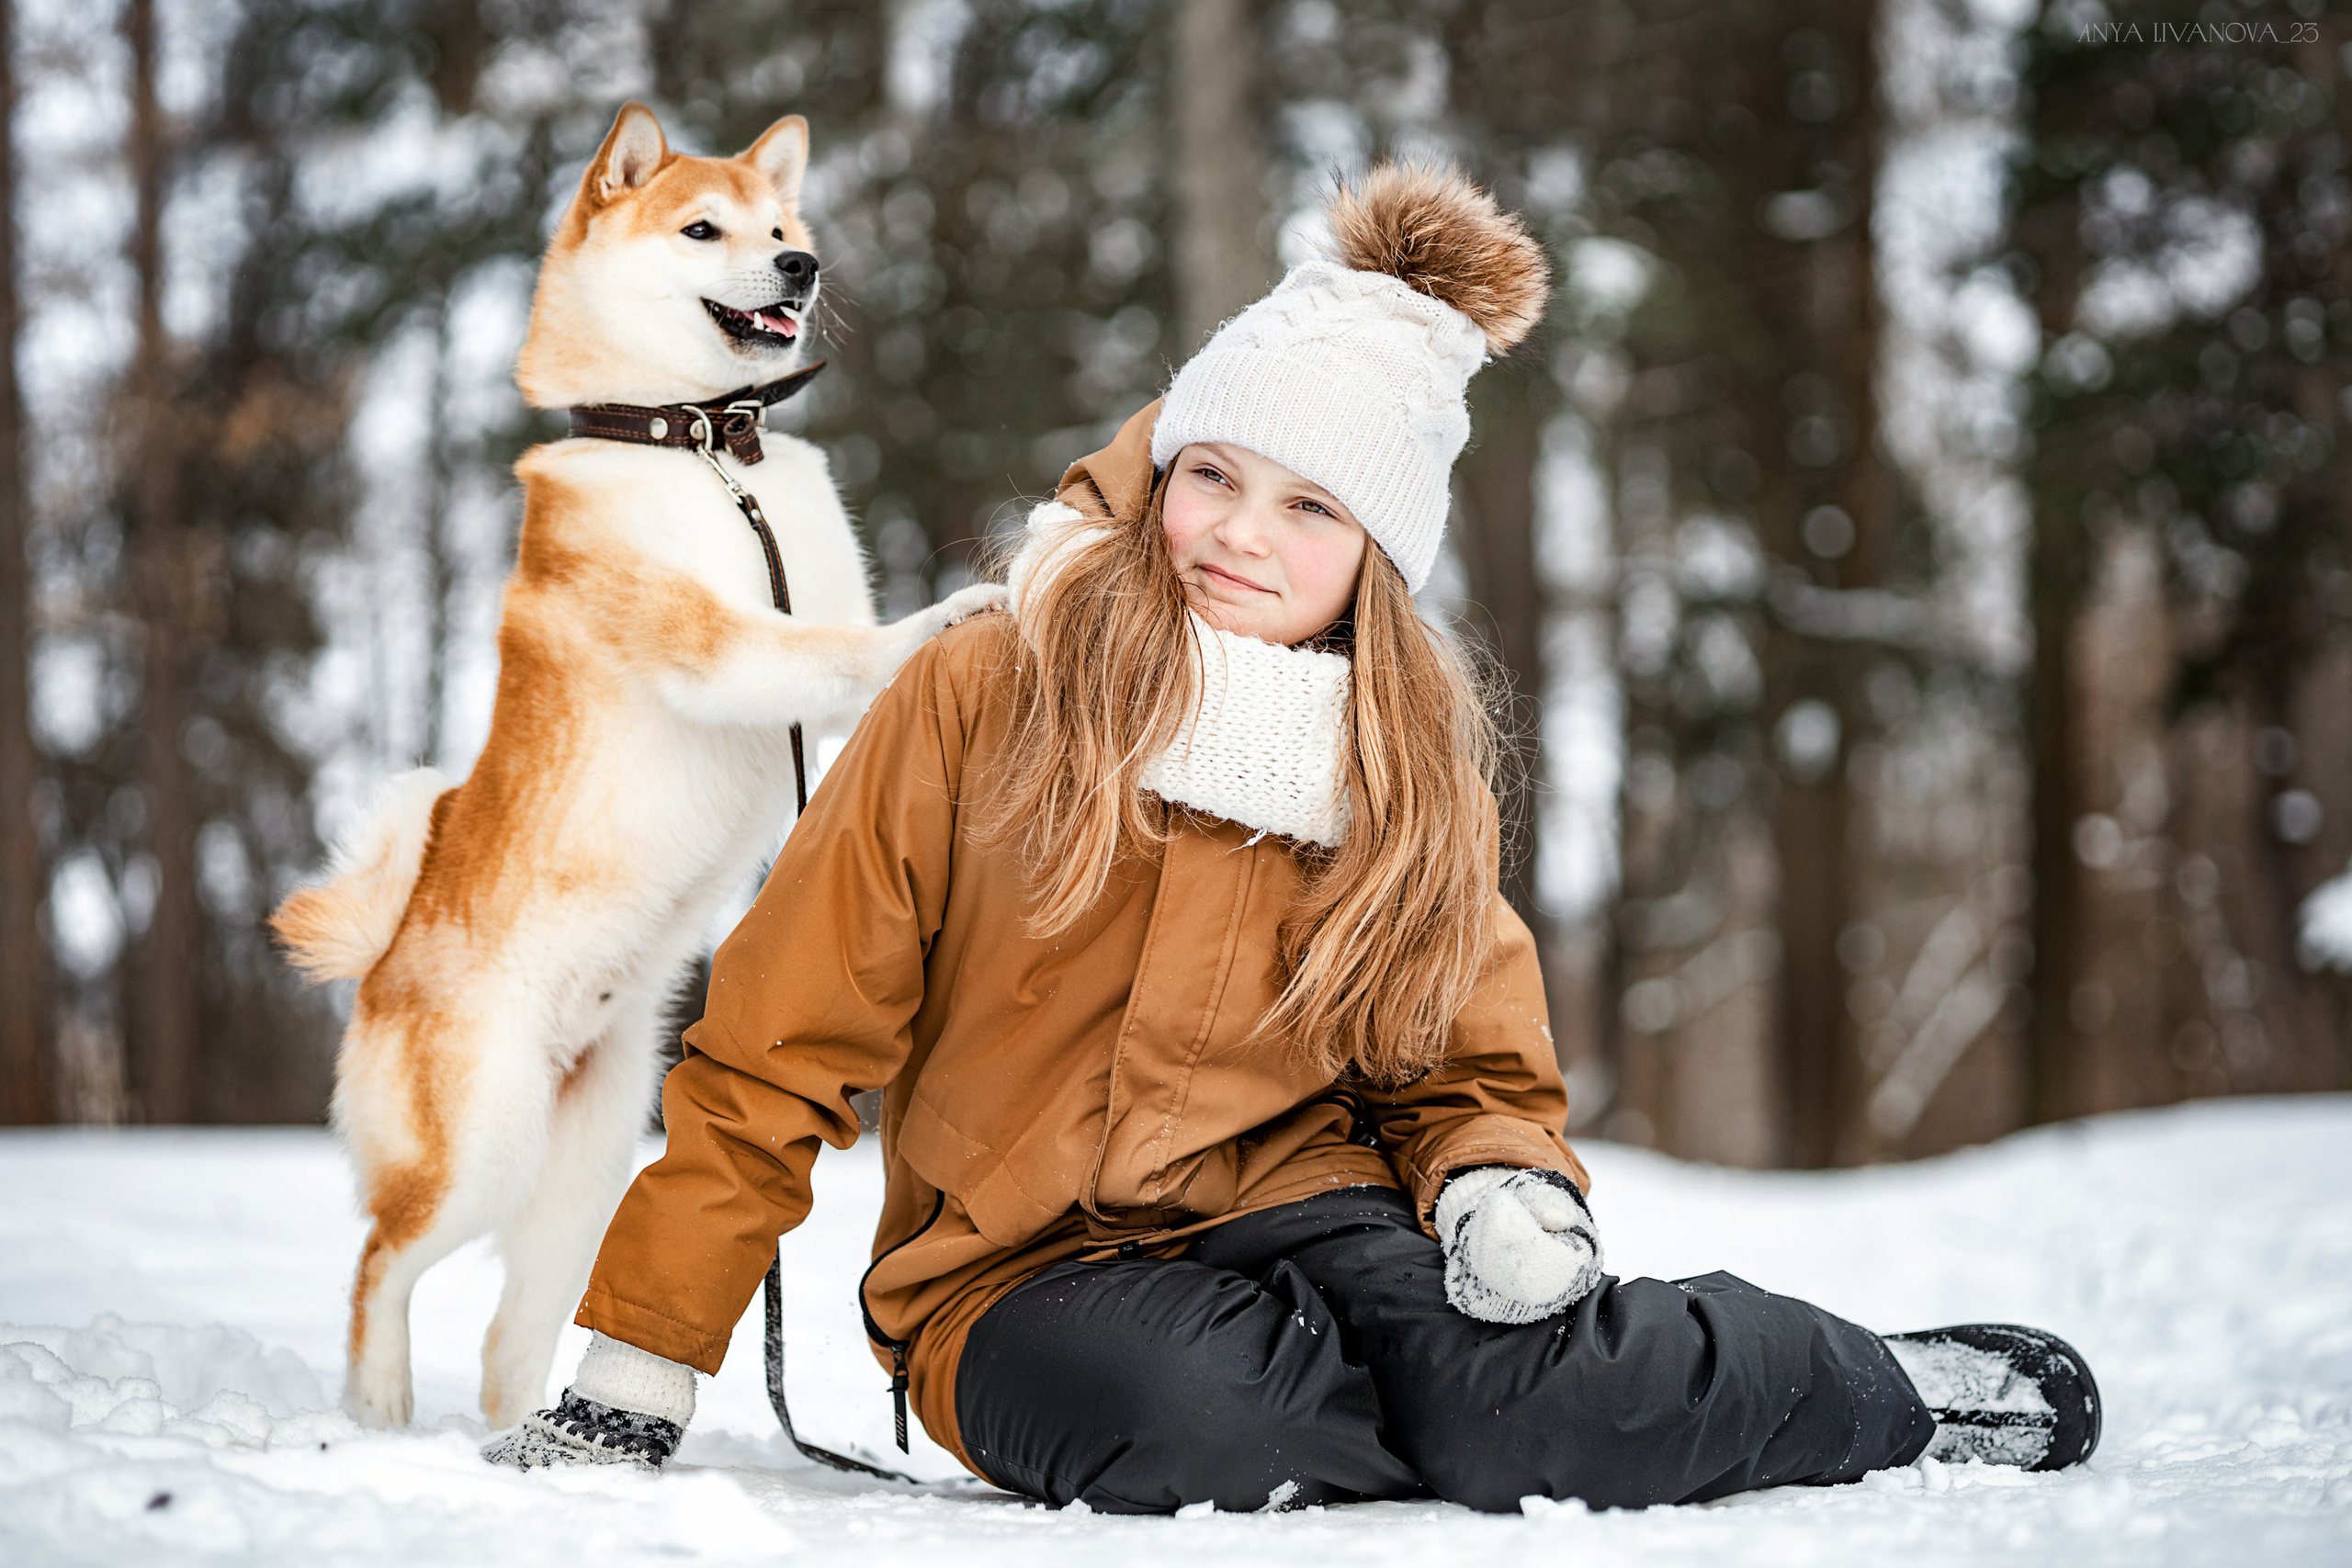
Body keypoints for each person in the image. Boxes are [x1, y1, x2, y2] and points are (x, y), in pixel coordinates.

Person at [484, 164, 2101, 1510]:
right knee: (1210, 1429)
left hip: (1320, 1215)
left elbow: (1466, 1066)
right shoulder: (989, 681)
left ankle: (1877, 1385)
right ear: (1167, 469)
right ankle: (1497, 1416)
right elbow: (781, 1039)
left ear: (1378, 557)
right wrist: (640, 1364)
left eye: (1311, 506)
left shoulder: (1399, 762)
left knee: (1518, 1401)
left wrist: (1492, 1189)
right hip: (1017, 1276)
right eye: (1212, 476)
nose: (1239, 536)